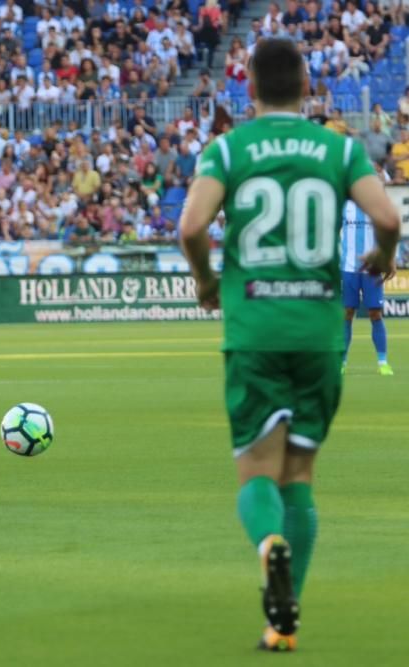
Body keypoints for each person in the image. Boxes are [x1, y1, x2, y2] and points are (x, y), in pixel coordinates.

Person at [179, 39, 400, 652]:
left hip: (254, 333)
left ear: (248, 88)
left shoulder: (228, 150)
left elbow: (191, 226)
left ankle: (267, 545)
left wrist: (206, 282)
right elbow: (387, 219)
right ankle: (282, 624)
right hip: (319, 332)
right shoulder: (340, 148)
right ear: (306, 86)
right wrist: (382, 257)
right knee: (299, 476)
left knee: (257, 472)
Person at [340, 201, 395, 375]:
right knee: (347, 313)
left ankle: (383, 362)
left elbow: (388, 233)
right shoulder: (344, 205)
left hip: (373, 268)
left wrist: (390, 259)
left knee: (375, 313)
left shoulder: (375, 204)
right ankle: (342, 361)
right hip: (347, 268)